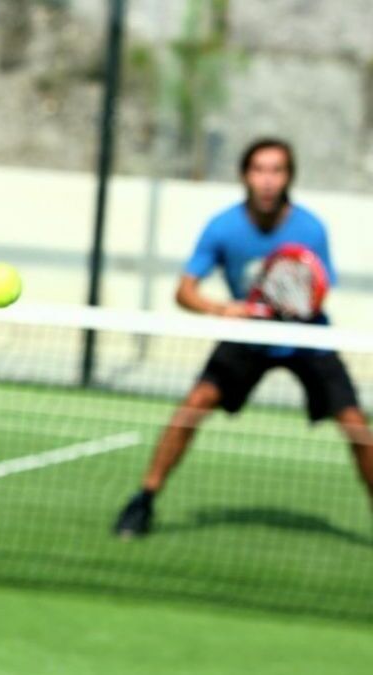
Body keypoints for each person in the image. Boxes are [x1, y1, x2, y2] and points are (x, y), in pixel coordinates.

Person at [113, 138, 373, 538]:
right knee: (194, 404)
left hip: (306, 335)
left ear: (288, 177)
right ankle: (143, 500)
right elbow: (184, 291)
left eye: (277, 170)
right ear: (245, 176)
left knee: (355, 424)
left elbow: (318, 289)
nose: (267, 180)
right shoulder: (223, 228)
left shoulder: (311, 229)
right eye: (259, 170)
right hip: (248, 333)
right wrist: (222, 309)